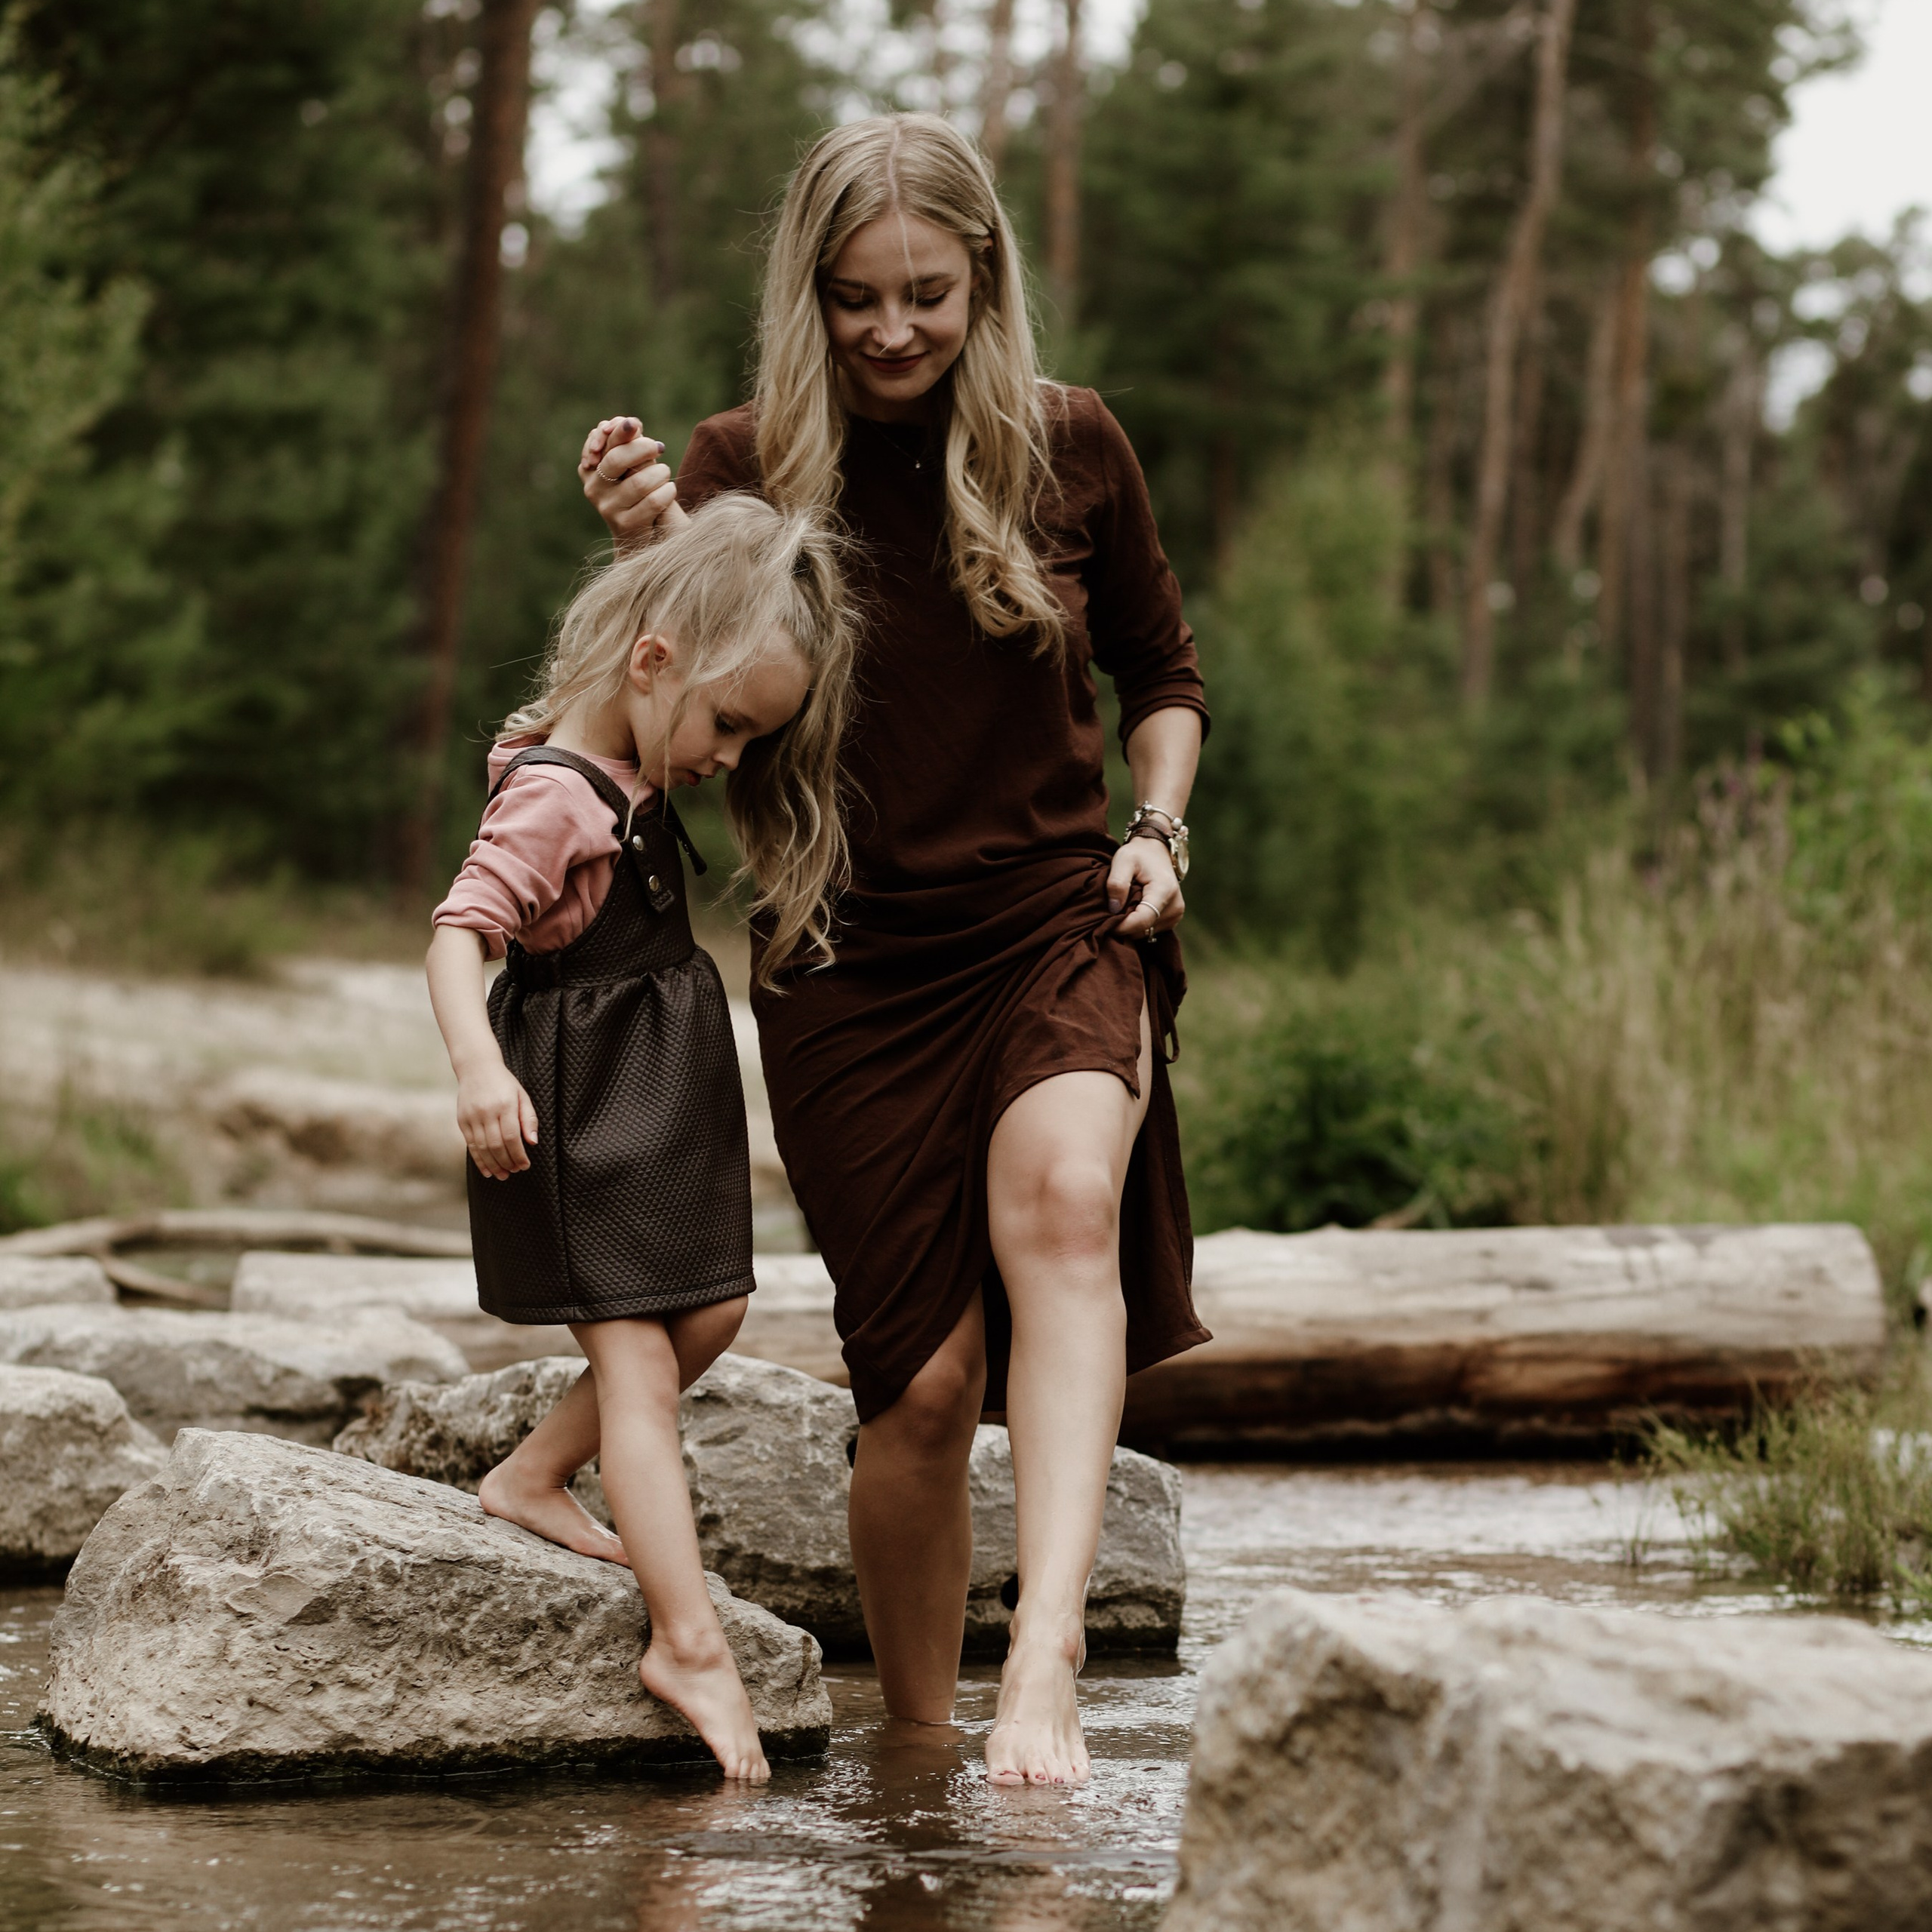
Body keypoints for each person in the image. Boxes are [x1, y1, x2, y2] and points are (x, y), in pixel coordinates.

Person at [577, 112, 1208, 1788]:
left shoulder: (1073, 444)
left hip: (1049, 921)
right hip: (841, 959)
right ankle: (920, 1765)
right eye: (854, 296)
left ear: (982, 278)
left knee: (1065, 1202)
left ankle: (1050, 1652)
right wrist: (650, 540)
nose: (891, 330)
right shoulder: (738, 460)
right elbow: (652, 694)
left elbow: (1162, 674)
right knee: (920, 1390)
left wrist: (1154, 829)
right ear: (809, 289)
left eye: (925, 292)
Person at [425, 494, 855, 1780]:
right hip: (586, 1120)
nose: (728, 756)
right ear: (659, 666)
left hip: (653, 1110)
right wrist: (478, 1073)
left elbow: (657, 641)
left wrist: (646, 543)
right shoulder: (558, 797)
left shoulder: (635, 729)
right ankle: (690, 1643)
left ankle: (529, 1481)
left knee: (708, 1316)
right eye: (729, 726)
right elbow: (458, 935)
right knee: (644, 1377)